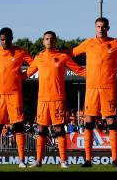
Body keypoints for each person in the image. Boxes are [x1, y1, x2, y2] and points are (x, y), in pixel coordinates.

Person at [72, 17, 117, 168]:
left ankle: (115, 159)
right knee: (88, 123)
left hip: (109, 88)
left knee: (111, 123)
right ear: (95, 27)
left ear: (108, 28)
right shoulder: (88, 43)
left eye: (103, 26)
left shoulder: (116, 43)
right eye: (98, 26)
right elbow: (70, 53)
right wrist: (80, 71)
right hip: (91, 89)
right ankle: (88, 160)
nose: (100, 29)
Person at [26, 31, 86, 169]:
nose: (49, 41)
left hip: (57, 99)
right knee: (41, 130)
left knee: (59, 129)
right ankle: (38, 161)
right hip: (42, 101)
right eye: (46, 39)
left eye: (51, 39)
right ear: (43, 41)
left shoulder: (63, 56)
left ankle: (63, 161)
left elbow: (80, 71)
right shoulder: (39, 57)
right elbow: (27, 73)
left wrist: (97, 75)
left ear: (55, 41)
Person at [0, 27, 33, 168]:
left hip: (15, 94)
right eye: (2, 39)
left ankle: (21, 161)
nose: (4, 42)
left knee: (18, 126)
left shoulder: (20, 52)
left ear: (12, 38)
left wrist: (24, 76)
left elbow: (36, 64)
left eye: (7, 39)